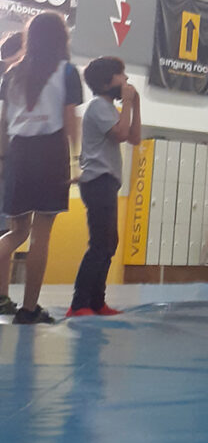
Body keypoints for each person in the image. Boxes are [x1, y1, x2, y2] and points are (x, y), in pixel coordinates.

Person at [0, 11, 82, 323]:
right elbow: (70, 119)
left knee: (16, 232)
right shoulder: (67, 71)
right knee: (40, 236)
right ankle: (29, 309)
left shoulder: (12, 73)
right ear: (61, 37)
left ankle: (19, 304)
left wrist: (4, 161)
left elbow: (4, 121)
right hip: (50, 152)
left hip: (18, 152)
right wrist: (76, 160)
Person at [67, 57, 141, 318]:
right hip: (98, 181)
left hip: (106, 182)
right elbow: (121, 134)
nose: (126, 79)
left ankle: (97, 301)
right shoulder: (99, 105)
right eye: (121, 74)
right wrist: (128, 103)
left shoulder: (109, 108)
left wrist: (136, 105)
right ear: (106, 82)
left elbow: (134, 137)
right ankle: (79, 303)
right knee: (100, 244)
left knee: (109, 243)